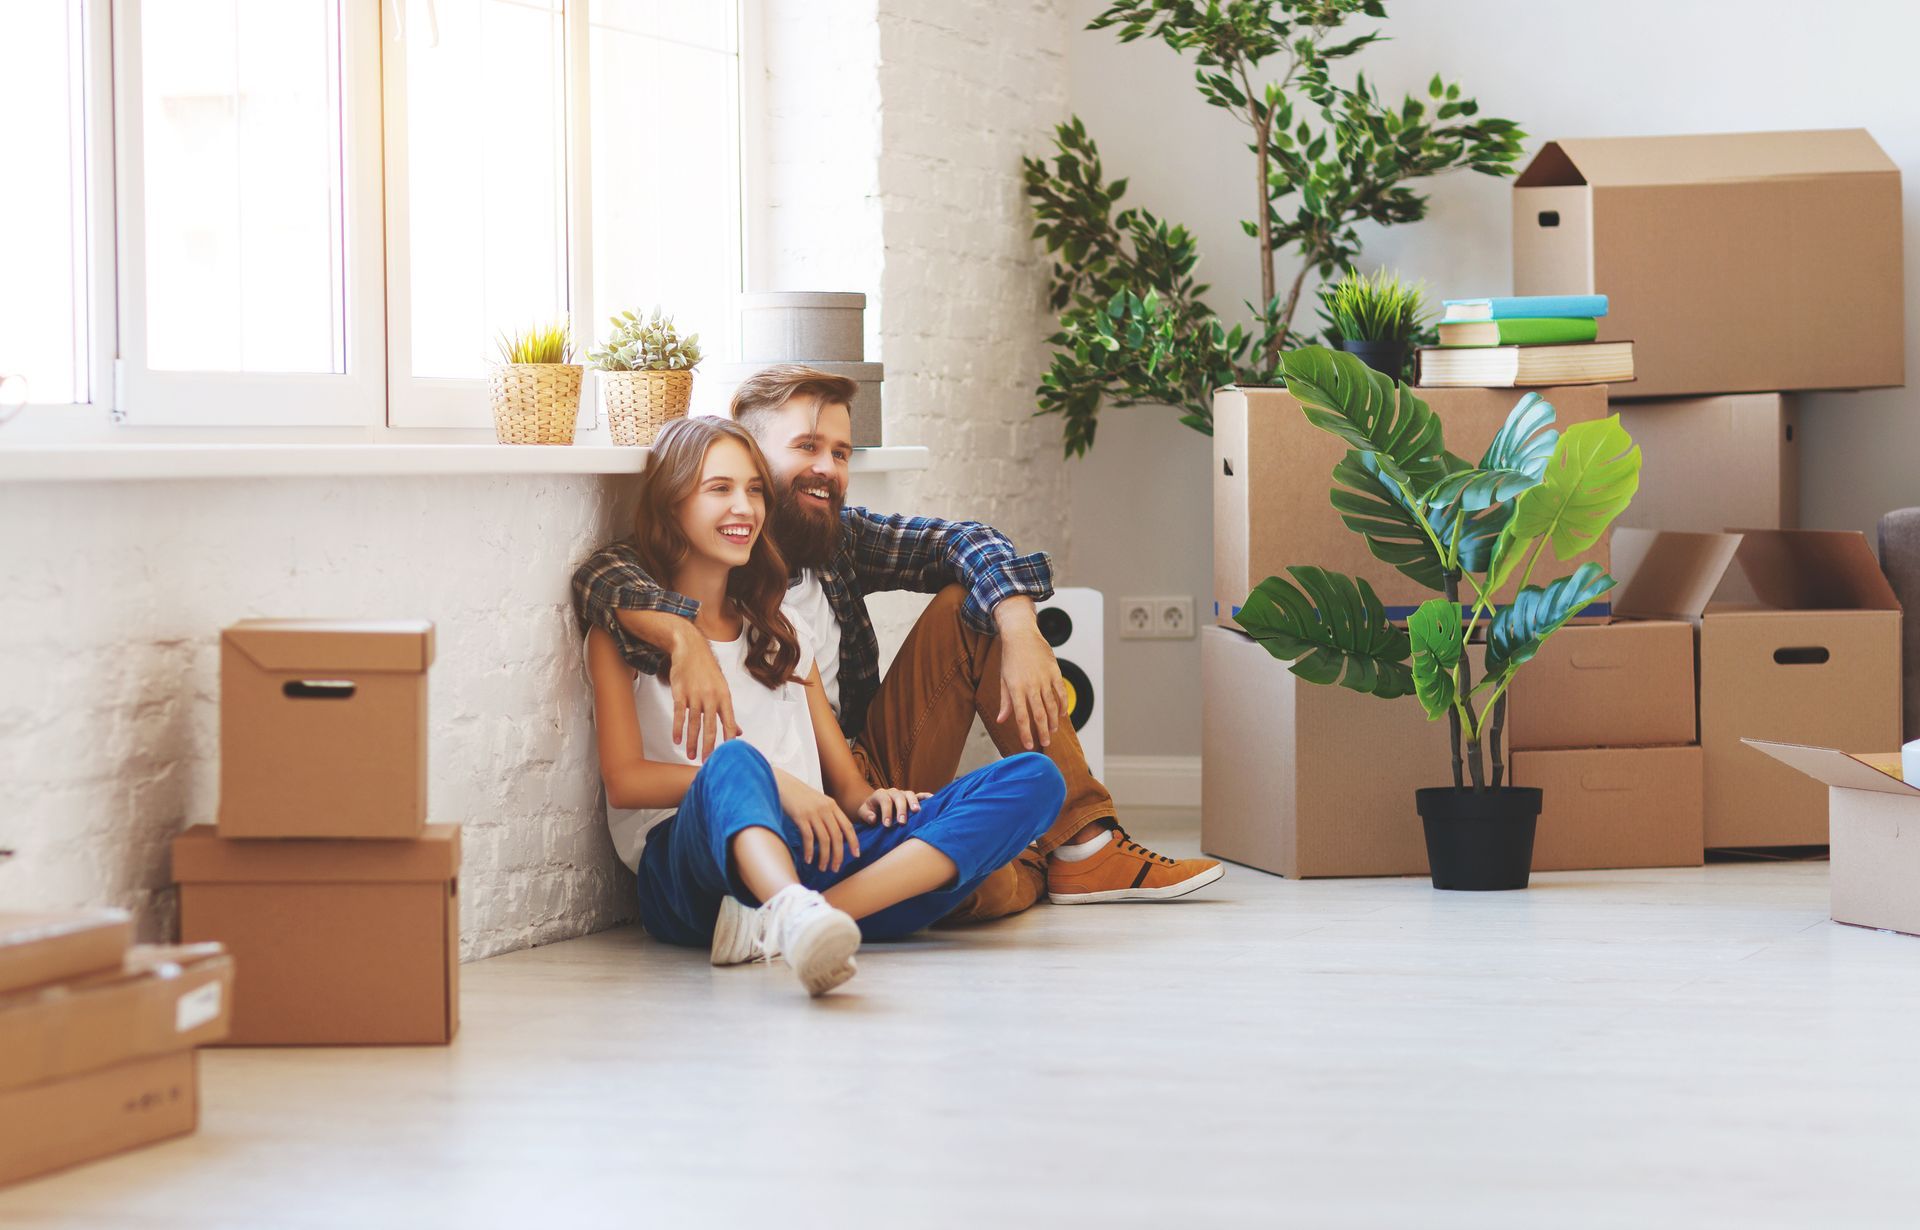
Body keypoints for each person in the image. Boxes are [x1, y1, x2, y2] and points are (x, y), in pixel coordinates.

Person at [574, 365, 1222, 923]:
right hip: (753, 811)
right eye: (805, 446)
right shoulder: (683, 559)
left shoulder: (836, 545)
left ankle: (1079, 845)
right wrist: (680, 636)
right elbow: (599, 576)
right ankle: (990, 862)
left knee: (977, 607)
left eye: (840, 451)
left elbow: (962, 541)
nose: (826, 468)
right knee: (989, 887)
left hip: (858, 778)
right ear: (749, 446)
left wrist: (1022, 630)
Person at [582, 415, 1066, 996]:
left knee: (1036, 779)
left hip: (813, 850)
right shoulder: (620, 638)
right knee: (736, 761)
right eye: (719, 488)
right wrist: (779, 784)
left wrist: (876, 802)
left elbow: (848, 788)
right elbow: (625, 783)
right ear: (670, 505)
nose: (744, 507)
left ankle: (800, 919)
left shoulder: (784, 627)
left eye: (754, 490)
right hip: (692, 870)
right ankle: (794, 911)